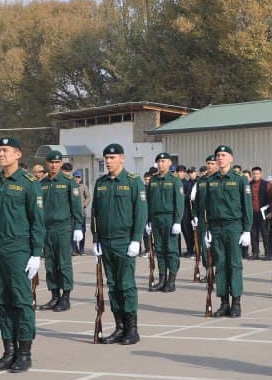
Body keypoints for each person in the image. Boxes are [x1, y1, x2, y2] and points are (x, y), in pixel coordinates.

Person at [0, 137, 44, 372]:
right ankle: (8, 351)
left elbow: (37, 222)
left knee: (21, 302)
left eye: (6, 150)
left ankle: (24, 353)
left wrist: (36, 253)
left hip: (19, 250)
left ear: (18, 154)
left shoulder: (29, 183)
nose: (1, 154)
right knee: (2, 301)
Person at [91, 143, 148, 344]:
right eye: (106, 158)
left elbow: (140, 213)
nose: (108, 161)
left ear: (122, 159)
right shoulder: (101, 183)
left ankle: (132, 329)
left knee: (126, 285)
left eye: (113, 158)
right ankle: (119, 327)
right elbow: (95, 214)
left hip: (124, 241)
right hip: (106, 242)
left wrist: (136, 239)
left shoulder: (133, 182)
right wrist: (95, 237)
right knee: (113, 285)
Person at [198, 145, 252, 317]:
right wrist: (206, 229)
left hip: (234, 226)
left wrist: (247, 230)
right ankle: (224, 303)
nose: (220, 158)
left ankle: (236, 302)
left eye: (223, 155)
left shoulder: (239, 179)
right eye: (218, 155)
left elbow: (247, 206)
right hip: (216, 227)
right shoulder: (210, 180)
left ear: (231, 158)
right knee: (220, 265)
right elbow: (205, 207)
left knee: (234, 265)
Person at [39, 150, 84, 312]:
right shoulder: (42, 184)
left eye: (57, 162)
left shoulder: (68, 182)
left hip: (63, 228)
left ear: (60, 164)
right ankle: (54, 296)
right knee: (50, 264)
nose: (54, 165)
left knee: (64, 263)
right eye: (51, 162)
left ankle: (65, 297)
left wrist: (78, 226)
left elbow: (76, 206)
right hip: (46, 229)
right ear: (47, 163)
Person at [147, 152, 185, 293]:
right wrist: (148, 220)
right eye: (159, 161)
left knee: (171, 250)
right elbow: (149, 202)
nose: (161, 164)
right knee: (160, 250)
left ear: (169, 163)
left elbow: (179, 202)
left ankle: (171, 280)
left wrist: (177, 221)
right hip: (156, 219)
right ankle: (162, 279)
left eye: (163, 161)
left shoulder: (175, 180)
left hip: (169, 219)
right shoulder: (153, 180)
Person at [248, 166, 272, 260]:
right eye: (254, 174)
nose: (255, 175)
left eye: (257, 173)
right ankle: (255, 253)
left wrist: (271, 211)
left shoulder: (266, 184)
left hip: (263, 212)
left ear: (261, 174)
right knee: (253, 234)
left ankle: (268, 253)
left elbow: (271, 199)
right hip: (252, 212)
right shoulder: (249, 184)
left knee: (265, 233)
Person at [68, 165, 89, 255]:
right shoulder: (70, 186)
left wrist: (84, 205)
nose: (77, 179)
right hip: (72, 213)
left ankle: (81, 249)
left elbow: (88, 197)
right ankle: (74, 249)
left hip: (81, 213)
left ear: (81, 178)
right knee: (72, 231)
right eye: (75, 177)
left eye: (78, 177)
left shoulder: (83, 186)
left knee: (82, 231)